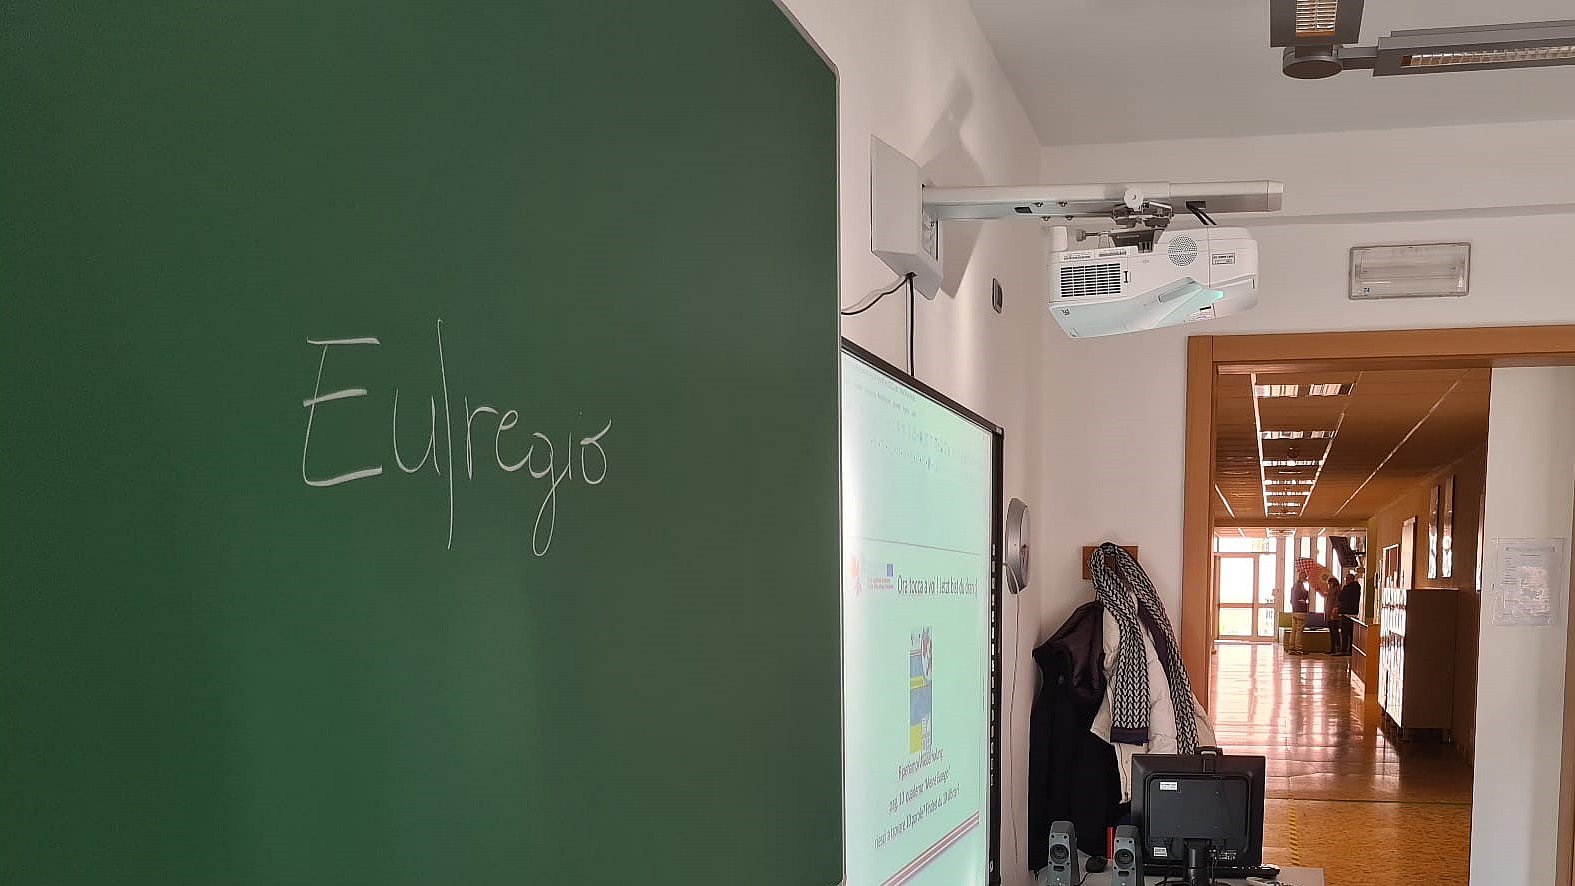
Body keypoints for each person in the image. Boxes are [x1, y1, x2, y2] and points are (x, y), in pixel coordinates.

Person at [1339, 569, 1364, 653]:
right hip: (1355, 613)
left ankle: (1343, 650)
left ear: (1349, 579)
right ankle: (1350, 650)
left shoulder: (1346, 588)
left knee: (1345, 633)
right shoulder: (1358, 587)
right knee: (1352, 633)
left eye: (1346, 579)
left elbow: (1341, 598)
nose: (1345, 580)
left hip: (1346, 613)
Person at [1325, 572, 1347, 655]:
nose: (1329, 585)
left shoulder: (1337, 589)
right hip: (1329, 613)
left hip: (1334, 614)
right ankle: (1333, 648)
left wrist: (1334, 610)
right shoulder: (1330, 590)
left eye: (1329, 583)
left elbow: (1337, 601)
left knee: (1335, 632)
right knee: (1332, 632)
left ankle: (1337, 648)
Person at [1289, 578, 1310, 655]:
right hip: (1301, 611)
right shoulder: (1302, 589)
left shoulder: (1293, 588)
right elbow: (1305, 598)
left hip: (1294, 611)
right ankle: (1298, 648)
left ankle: (1291, 648)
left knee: (1294, 630)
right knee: (1299, 631)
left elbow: (1291, 601)